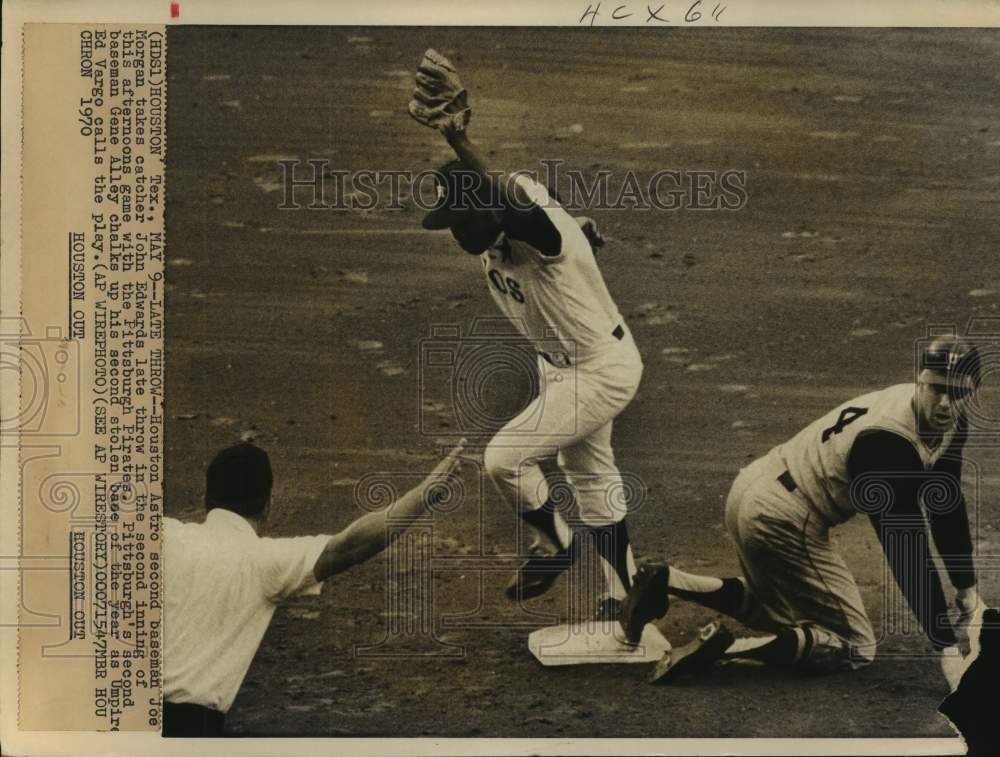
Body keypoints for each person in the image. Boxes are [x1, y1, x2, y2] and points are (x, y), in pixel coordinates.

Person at [411, 53, 643, 619]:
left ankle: (555, 546)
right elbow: (540, 211)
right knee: (589, 477)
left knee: (505, 459)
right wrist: (583, 228)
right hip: (562, 367)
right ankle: (629, 593)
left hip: (601, 367)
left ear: (489, 210)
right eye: (451, 223)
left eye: (463, 219)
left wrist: (462, 141)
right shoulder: (508, 232)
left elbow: (522, 209)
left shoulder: (534, 233)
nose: (457, 232)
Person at [622, 337, 982, 685]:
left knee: (780, 610)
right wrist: (946, 647)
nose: (946, 403)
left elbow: (944, 500)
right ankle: (729, 648)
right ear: (920, 381)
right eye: (936, 388)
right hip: (783, 518)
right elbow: (906, 548)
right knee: (856, 646)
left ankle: (669, 581)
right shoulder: (888, 443)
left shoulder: (945, 420)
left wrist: (966, 588)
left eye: (958, 393)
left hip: (757, 490)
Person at [163, 439, 464, 736]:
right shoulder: (265, 562)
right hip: (190, 729)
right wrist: (423, 494)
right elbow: (350, 546)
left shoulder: (166, 535)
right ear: (268, 506)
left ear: (206, 497)